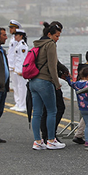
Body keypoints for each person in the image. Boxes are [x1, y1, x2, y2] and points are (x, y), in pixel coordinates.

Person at [28, 21, 66, 150]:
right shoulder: (50, 45)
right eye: (56, 36)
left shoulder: (38, 44)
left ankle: (37, 142)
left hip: (33, 81)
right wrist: (56, 83)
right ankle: (51, 140)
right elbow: (52, 66)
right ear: (50, 34)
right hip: (44, 81)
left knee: (37, 113)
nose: (58, 39)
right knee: (52, 111)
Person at [67, 66, 88, 147]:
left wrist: (68, 78)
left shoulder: (76, 83)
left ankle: (87, 141)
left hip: (82, 108)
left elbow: (71, 83)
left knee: (87, 124)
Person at [9, 28, 28, 112]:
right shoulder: (18, 45)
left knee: (22, 88)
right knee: (17, 87)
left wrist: (22, 70)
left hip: (20, 70)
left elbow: (23, 59)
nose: (15, 36)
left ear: (21, 36)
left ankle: (23, 105)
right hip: (17, 69)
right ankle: (19, 103)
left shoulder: (22, 46)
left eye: (16, 35)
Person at [6, 20, 21, 103]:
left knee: (19, 86)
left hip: (15, 66)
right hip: (11, 65)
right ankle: (17, 102)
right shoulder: (13, 38)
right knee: (15, 85)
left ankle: (20, 103)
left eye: (12, 28)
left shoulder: (18, 39)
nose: (10, 29)